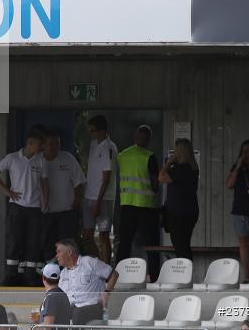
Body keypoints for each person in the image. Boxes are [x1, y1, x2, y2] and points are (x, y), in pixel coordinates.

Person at [0, 126, 45, 285]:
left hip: (35, 207)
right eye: (38, 145)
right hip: (17, 205)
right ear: (30, 143)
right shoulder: (12, 158)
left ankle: (29, 275)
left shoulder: (40, 159)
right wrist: (7, 191)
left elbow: (45, 182)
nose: (40, 148)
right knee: (14, 240)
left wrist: (45, 201)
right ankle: (11, 275)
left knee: (33, 241)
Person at [116, 124, 160, 279]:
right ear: (148, 139)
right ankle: (154, 276)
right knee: (152, 244)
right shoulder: (149, 157)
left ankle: (119, 276)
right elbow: (155, 182)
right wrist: (155, 191)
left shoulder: (122, 155)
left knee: (124, 243)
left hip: (127, 204)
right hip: (146, 205)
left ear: (135, 136)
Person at [40, 129, 85, 262]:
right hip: (45, 212)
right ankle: (49, 272)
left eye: (57, 144)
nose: (54, 147)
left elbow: (79, 182)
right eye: (51, 144)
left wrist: (77, 200)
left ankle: (69, 272)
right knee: (47, 243)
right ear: (43, 145)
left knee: (67, 244)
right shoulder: (38, 160)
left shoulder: (68, 158)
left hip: (67, 211)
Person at [55, 238, 118, 324]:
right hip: (72, 308)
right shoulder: (63, 273)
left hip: (93, 306)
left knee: (77, 314)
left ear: (69, 253)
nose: (56, 256)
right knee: (53, 312)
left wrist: (107, 292)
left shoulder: (89, 262)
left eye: (59, 252)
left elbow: (114, 274)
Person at [82, 115, 118, 264]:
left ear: (102, 131)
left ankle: (106, 270)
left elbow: (106, 177)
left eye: (93, 130)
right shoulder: (93, 144)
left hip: (103, 199)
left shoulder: (109, 147)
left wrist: (98, 202)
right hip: (88, 196)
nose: (91, 133)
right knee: (87, 235)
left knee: (103, 235)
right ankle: (98, 266)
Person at [158, 138, 199, 262]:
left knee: (180, 246)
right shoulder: (193, 168)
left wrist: (169, 162)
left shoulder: (178, 169)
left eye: (176, 150)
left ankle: (185, 274)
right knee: (185, 244)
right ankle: (187, 272)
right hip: (191, 210)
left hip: (178, 212)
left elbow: (160, 177)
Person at [226, 139, 249, 283]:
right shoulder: (238, 168)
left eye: (248, 151)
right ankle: (247, 276)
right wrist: (238, 167)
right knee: (244, 243)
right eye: (243, 151)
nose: (245, 154)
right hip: (240, 209)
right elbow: (229, 184)